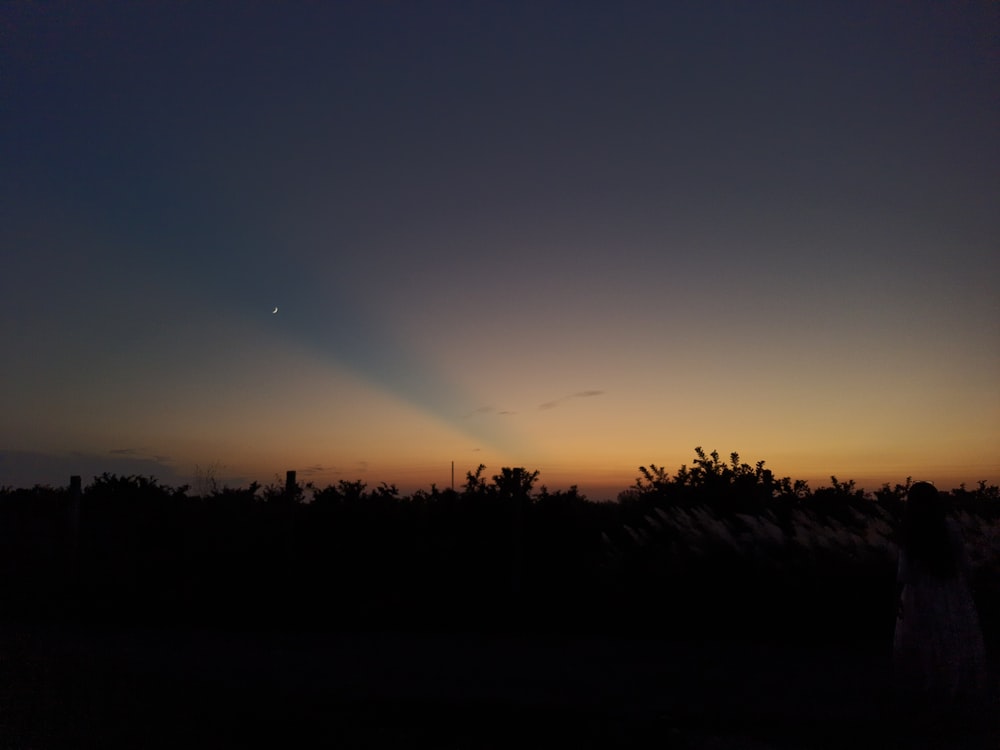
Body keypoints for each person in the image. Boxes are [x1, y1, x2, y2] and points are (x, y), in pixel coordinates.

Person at [893, 481, 989, 725]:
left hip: (920, 594)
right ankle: (954, 689)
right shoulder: (949, 527)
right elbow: (964, 562)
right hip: (951, 590)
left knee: (924, 639)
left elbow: (905, 574)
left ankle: (927, 689)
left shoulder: (909, 530)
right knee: (952, 637)